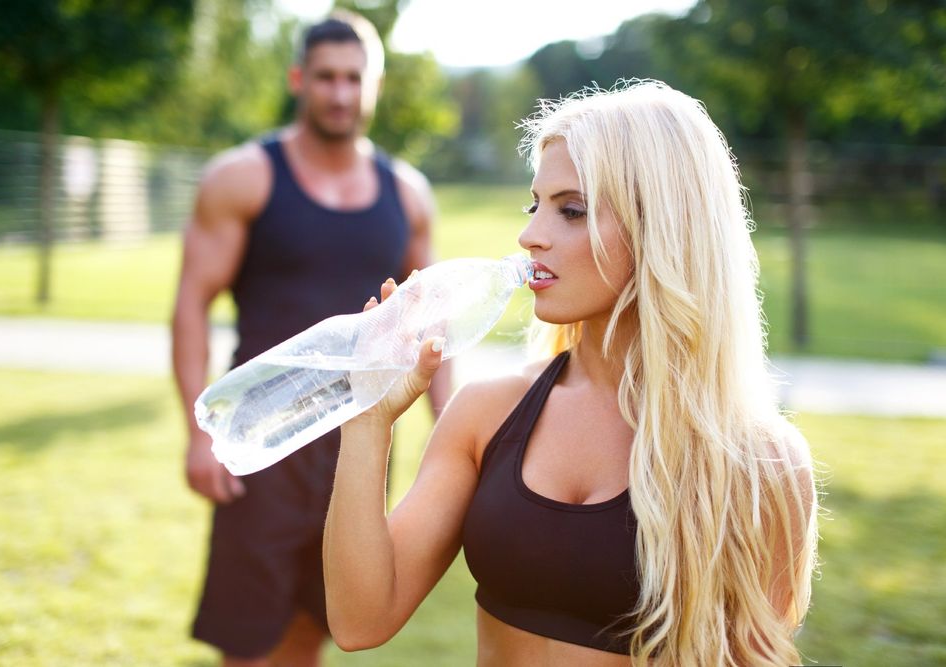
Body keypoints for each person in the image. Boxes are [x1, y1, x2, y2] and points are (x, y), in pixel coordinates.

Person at [323, 80, 820, 666]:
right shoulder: (488, 413)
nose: (530, 235)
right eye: (535, 204)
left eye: (572, 210)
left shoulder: (759, 462)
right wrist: (367, 419)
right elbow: (360, 619)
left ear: (660, 227)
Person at [171, 11, 450, 667]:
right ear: (299, 79)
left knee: (318, 625)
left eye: (355, 79)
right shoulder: (244, 177)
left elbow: (428, 329)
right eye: (325, 77)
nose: (340, 93)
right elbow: (191, 304)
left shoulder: (408, 195)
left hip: (360, 445)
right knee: (248, 636)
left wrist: (445, 443)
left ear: (373, 85)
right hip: (261, 440)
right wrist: (196, 432)